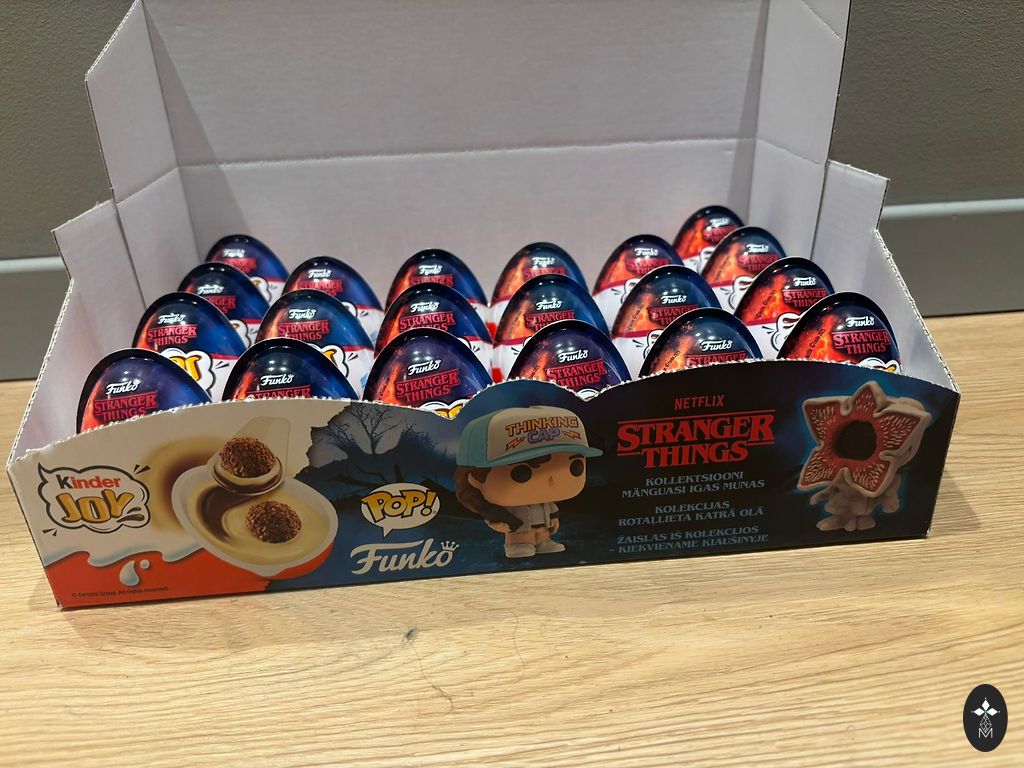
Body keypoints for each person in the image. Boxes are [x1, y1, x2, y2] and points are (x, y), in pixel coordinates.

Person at [455, 405, 602, 558]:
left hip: (543, 530)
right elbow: (497, 519)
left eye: (574, 467)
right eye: (522, 472)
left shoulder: (545, 502)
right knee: (521, 539)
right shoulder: (503, 509)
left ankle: (544, 542)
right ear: (475, 478)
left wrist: (553, 518)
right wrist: (499, 522)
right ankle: (518, 544)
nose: (551, 479)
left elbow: (551, 510)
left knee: (543, 537)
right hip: (519, 531)